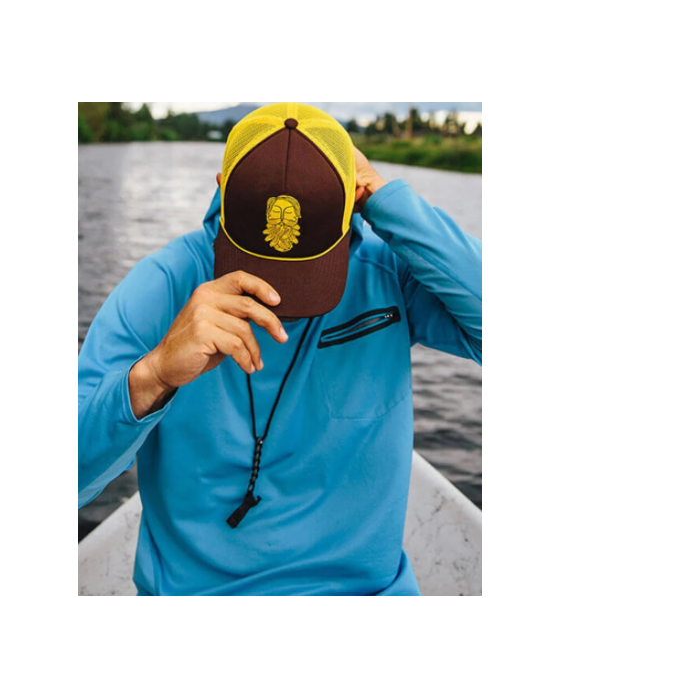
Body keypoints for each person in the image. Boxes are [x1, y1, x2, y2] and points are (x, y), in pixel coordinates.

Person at [78, 103, 481, 596]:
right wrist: (154, 375)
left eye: (305, 274)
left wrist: (387, 199)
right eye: (260, 268)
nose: (277, 302)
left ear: (352, 200)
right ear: (223, 188)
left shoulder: (389, 275)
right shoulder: (163, 286)